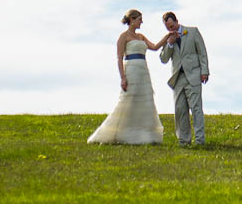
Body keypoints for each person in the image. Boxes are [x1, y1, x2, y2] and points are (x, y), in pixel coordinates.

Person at [87, 9, 168, 145]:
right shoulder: (123, 37)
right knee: (128, 99)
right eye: (139, 19)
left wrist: (167, 38)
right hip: (131, 69)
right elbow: (119, 58)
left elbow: (154, 47)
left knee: (145, 100)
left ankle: (145, 135)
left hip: (143, 71)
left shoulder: (141, 36)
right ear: (132, 20)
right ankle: (116, 132)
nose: (141, 22)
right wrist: (122, 77)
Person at [159, 10, 209, 147]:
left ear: (176, 21)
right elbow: (163, 59)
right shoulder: (168, 38)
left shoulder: (192, 32)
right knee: (180, 109)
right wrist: (169, 44)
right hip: (177, 79)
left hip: (194, 75)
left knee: (196, 108)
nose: (171, 29)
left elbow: (202, 53)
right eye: (168, 27)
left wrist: (204, 72)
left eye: (172, 26)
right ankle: (184, 140)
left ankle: (199, 140)